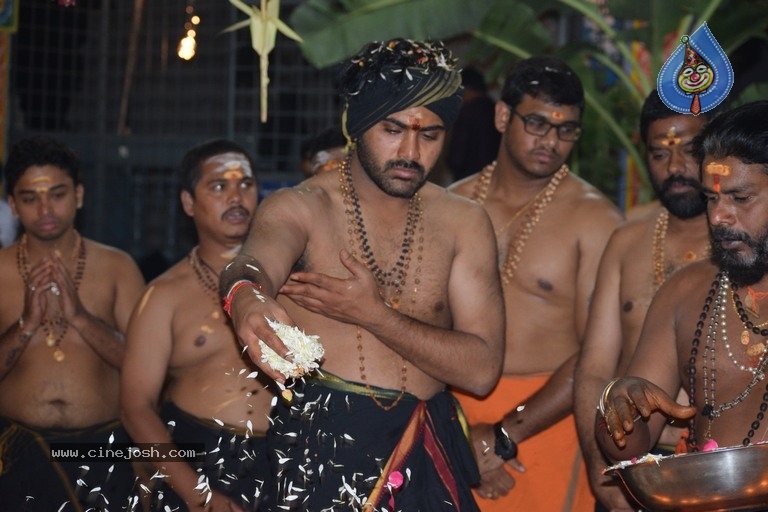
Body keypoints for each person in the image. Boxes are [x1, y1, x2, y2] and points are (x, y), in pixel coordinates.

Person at [219, 38, 505, 511]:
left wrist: (374, 315)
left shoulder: (465, 221)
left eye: (430, 135)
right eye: (393, 129)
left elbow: (480, 371)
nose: (411, 151)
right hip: (323, 454)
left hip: (428, 450)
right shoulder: (303, 207)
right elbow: (252, 262)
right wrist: (246, 298)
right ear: (357, 123)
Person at [449, 56, 624, 511]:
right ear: (503, 116)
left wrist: (507, 433)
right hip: (451, 417)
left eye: (567, 130)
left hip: (548, 422)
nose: (552, 141)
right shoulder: (451, 205)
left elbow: (599, 353)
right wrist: (458, 431)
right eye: (539, 123)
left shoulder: (594, 219)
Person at [597, 100, 768, 467]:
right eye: (711, 198)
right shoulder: (684, 293)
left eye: (741, 198)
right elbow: (628, 447)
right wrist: (618, 409)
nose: (719, 216)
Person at [573, 90, 712, 512]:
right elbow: (594, 368)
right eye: (658, 154)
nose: (675, 168)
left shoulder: (744, 248)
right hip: (629, 465)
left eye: (691, 151)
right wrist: (605, 478)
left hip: (720, 468)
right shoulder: (625, 242)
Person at [120, 139, 272, 511]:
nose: (236, 197)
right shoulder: (163, 296)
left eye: (245, 184)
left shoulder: (288, 280)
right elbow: (135, 407)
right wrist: (197, 494)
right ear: (188, 203)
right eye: (219, 186)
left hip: (282, 460)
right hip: (195, 459)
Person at [0, 135, 146, 510]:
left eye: (58, 194)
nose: (45, 207)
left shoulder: (118, 267)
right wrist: (26, 324)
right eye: (30, 198)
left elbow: (146, 370)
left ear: (79, 195)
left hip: (104, 450)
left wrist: (81, 318)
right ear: (13, 206)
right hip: (18, 448)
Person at [447, 66, 501, 182]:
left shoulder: (468, 112)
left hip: (467, 176)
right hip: (491, 177)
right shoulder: (495, 110)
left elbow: (458, 151)